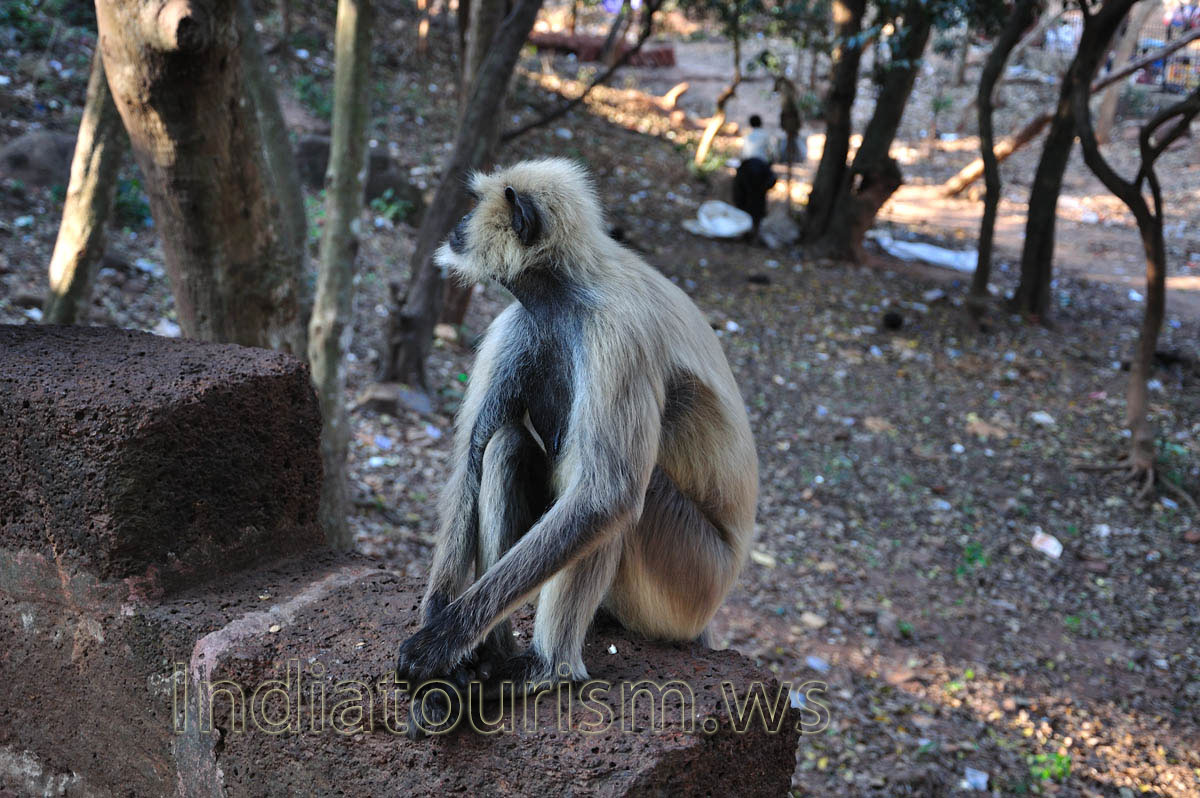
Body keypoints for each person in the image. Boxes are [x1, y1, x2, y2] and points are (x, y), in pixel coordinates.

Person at [732, 115, 776, 241]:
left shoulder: (747, 136)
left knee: (743, 196)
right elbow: (773, 154)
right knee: (759, 197)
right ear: (761, 123)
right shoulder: (766, 136)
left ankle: (744, 228)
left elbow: (743, 155)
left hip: (746, 168)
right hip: (760, 169)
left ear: (751, 124)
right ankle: (755, 230)